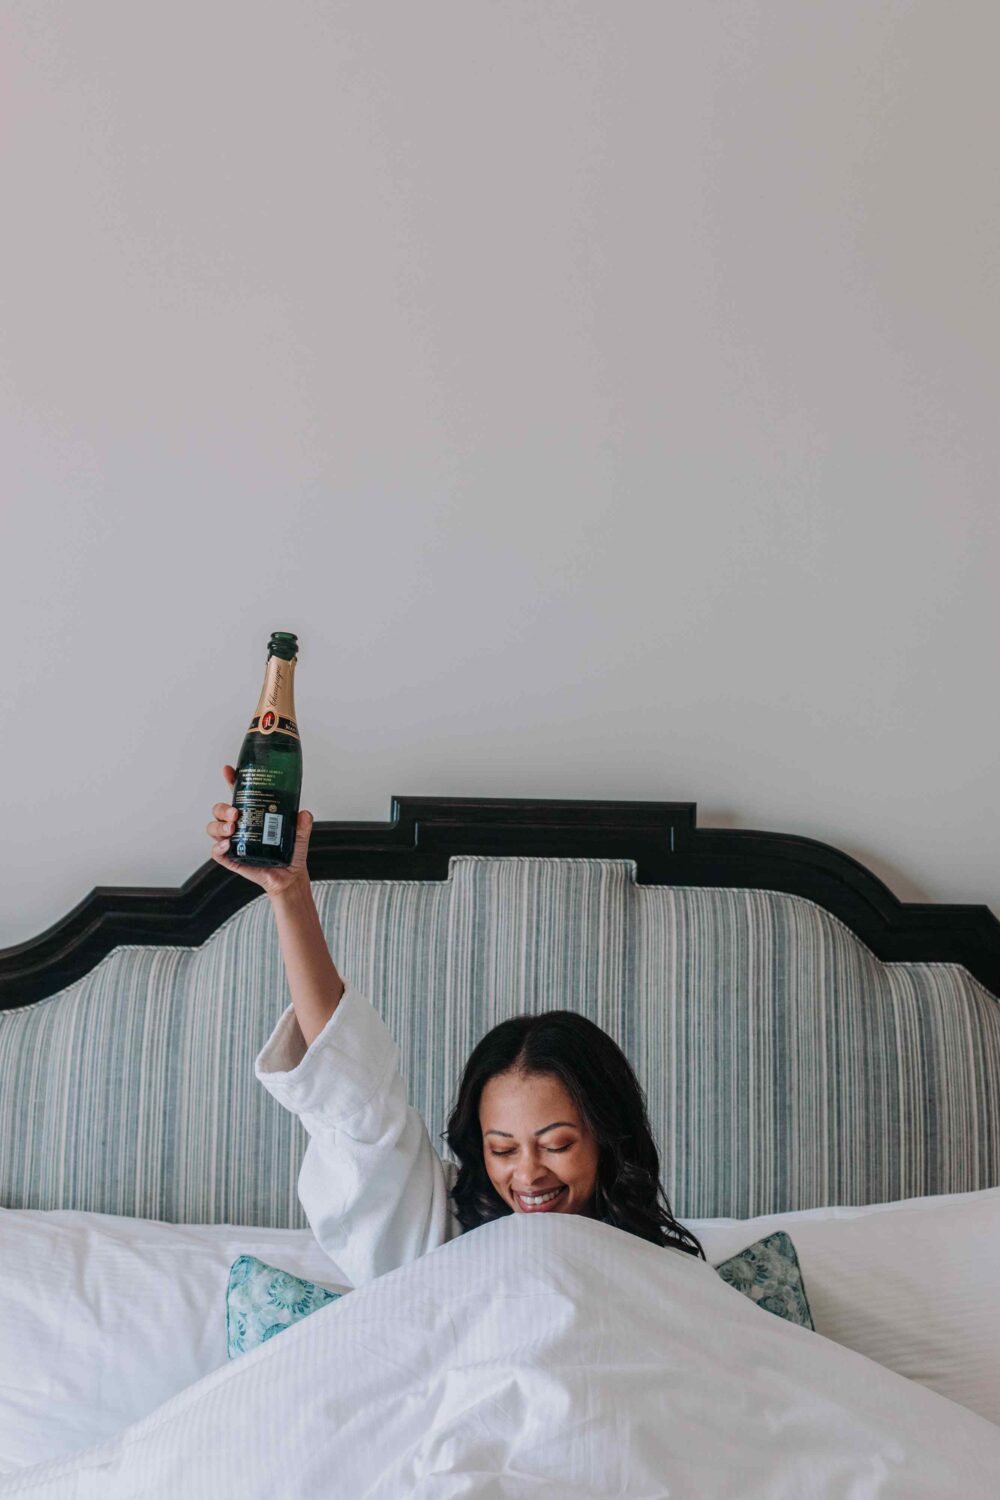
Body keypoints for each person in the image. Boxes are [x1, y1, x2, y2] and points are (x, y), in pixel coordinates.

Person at [206, 767, 706, 1289]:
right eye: (503, 1150)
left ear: (609, 1137)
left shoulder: (673, 1282)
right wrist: (290, 893)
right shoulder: (447, 1238)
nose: (529, 1174)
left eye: (556, 1144)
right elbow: (354, 1102)